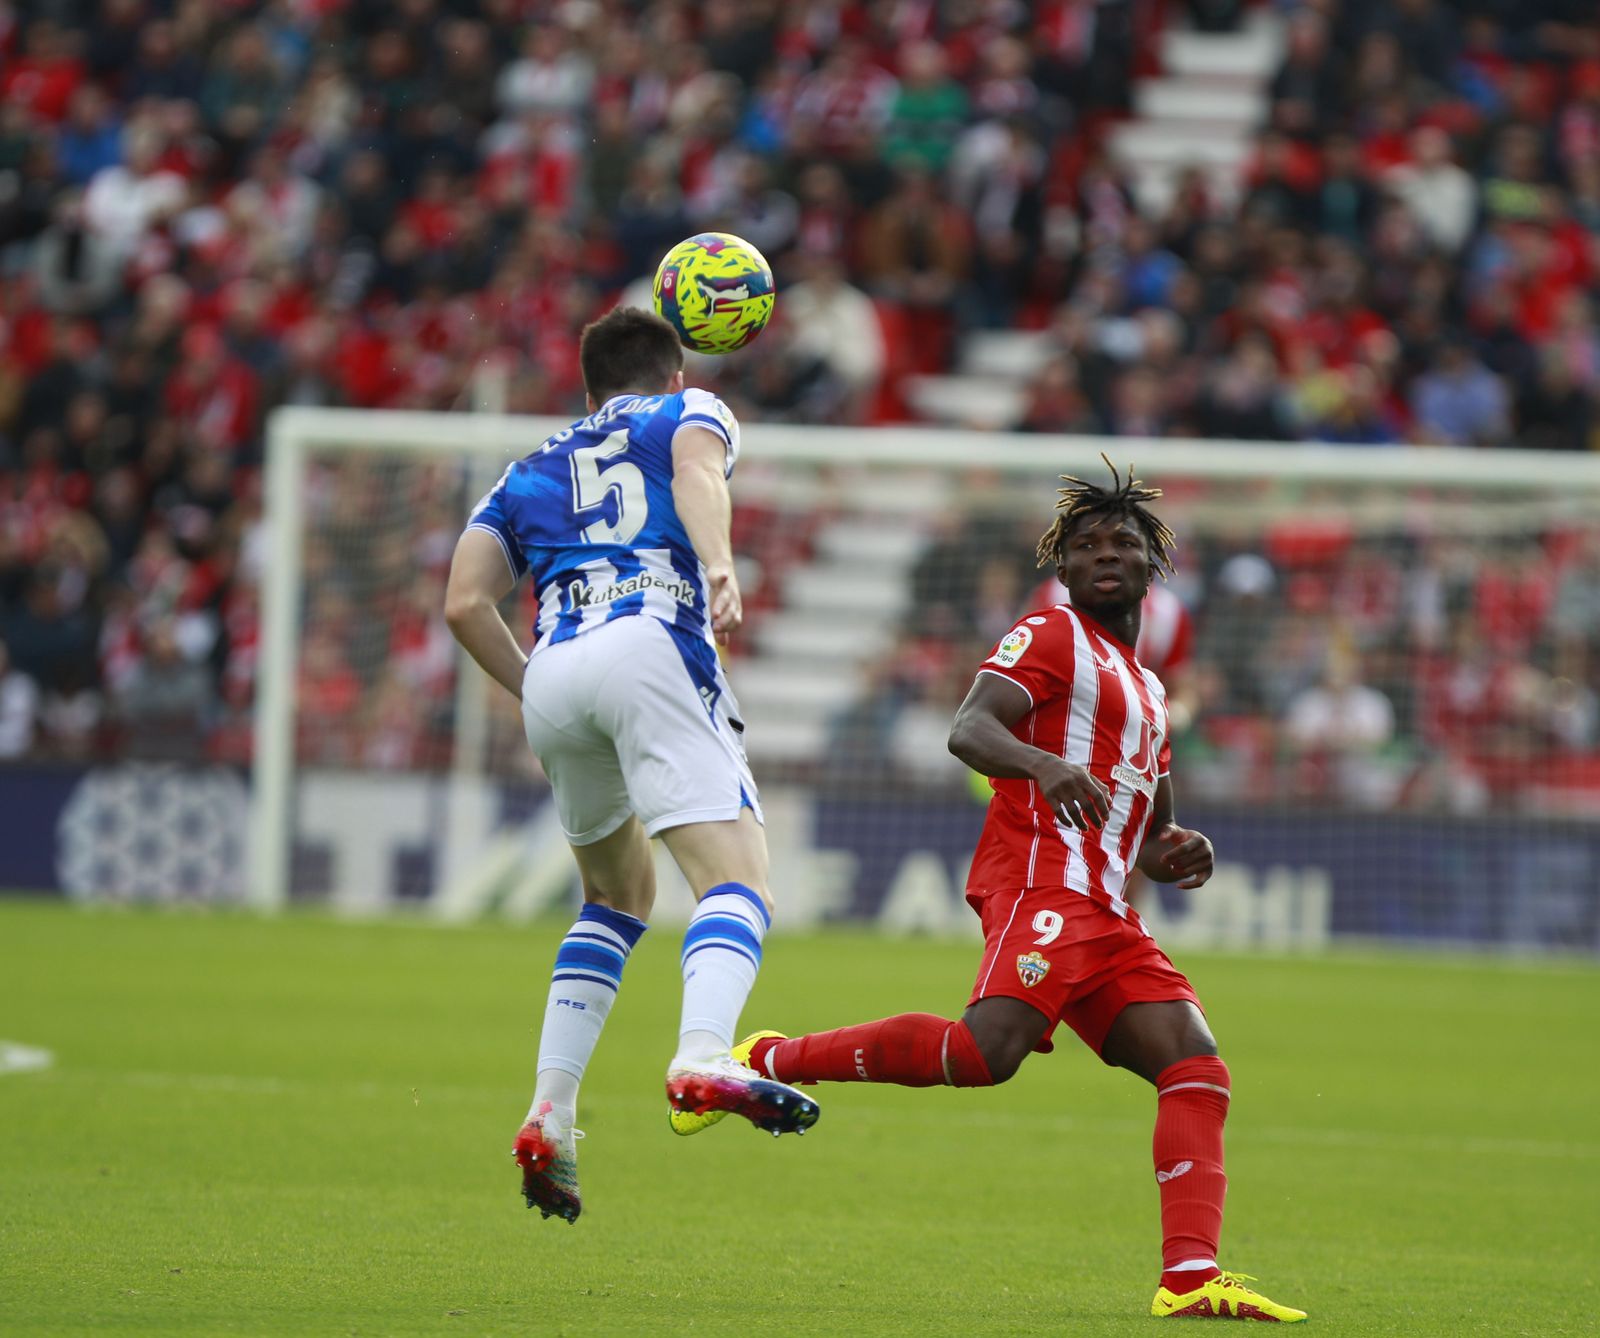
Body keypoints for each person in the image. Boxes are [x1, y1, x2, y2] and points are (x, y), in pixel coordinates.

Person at [677, 460, 1306, 1323]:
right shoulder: (1049, 634)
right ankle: (762, 1060)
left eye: (1124, 541)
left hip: (1110, 912)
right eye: (1086, 546)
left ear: (1152, 566)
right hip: (1044, 881)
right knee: (985, 1055)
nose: (1106, 554)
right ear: (1066, 569)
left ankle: (1191, 1280)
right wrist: (1043, 764)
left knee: (1196, 1067)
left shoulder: (1153, 692)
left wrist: (1173, 849)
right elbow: (969, 726)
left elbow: (1147, 827)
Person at [443, 307, 819, 1224]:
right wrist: (722, 563)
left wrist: (538, 686)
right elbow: (696, 473)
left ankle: (552, 1114)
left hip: (557, 668)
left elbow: (461, 603)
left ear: (586, 390)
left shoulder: (529, 467)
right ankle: (702, 1052)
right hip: (650, 638)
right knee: (737, 878)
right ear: (675, 373)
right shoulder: (688, 414)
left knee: (615, 898)